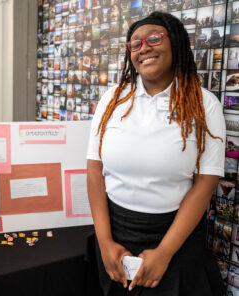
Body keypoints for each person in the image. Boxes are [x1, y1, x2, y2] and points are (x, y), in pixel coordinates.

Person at [86, 11, 226, 296]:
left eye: (153, 38)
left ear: (175, 43)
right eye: (135, 44)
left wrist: (163, 253)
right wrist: (105, 243)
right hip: (116, 236)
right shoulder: (112, 99)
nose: (144, 48)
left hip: (176, 239)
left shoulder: (203, 104)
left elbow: (205, 184)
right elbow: (94, 171)